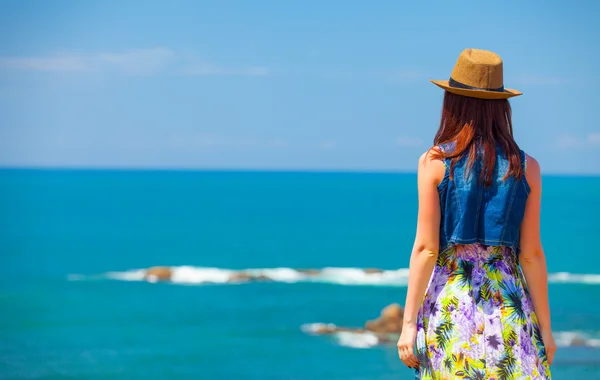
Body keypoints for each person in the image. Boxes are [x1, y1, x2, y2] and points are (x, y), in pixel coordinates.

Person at [396, 48, 556, 379]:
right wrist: (546, 330)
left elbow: (426, 249)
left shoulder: (434, 163)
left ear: (452, 103)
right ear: (502, 106)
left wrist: (408, 324)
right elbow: (531, 255)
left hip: (452, 306)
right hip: (508, 306)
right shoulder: (527, 168)